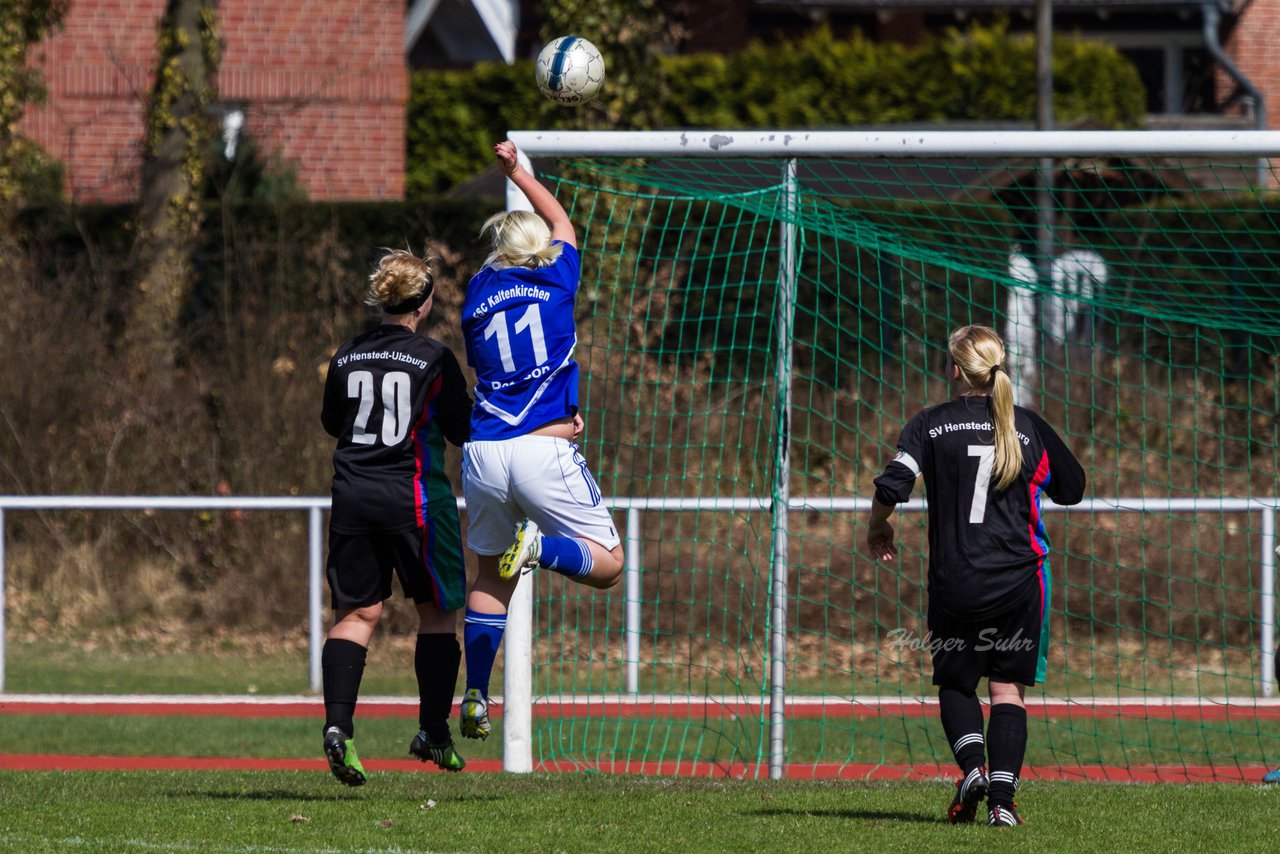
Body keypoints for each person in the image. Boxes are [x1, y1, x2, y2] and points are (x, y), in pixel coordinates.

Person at [865, 324, 1085, 827]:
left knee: (956, 685)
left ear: (956, 369)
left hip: (955, 582)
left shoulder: (930, 424)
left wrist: (877, 528)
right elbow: (1072, 488)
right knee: (1008, 690)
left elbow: (894, 484)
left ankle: (972, 771)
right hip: (1021, 583)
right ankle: (1003, 805)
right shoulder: (1027, 425)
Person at [456, 140, 623, 741]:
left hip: (482, 453)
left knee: (488, 578)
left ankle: (475, 691)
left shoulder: (475, 296)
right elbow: (563, 222)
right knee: (607, 566)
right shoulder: (557, 277)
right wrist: (519, 174)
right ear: (542, 253)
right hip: (539, 449)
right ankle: (538, 548)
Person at [319, 247, 473, 784]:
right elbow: (462, 430)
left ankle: (338, 728)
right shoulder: (433, 358)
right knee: (436, 615)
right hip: (416, 501)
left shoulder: (345, 354)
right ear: (425, 302)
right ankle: (433, 728)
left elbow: (331, 421)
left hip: (354, 498)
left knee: (357, 616)